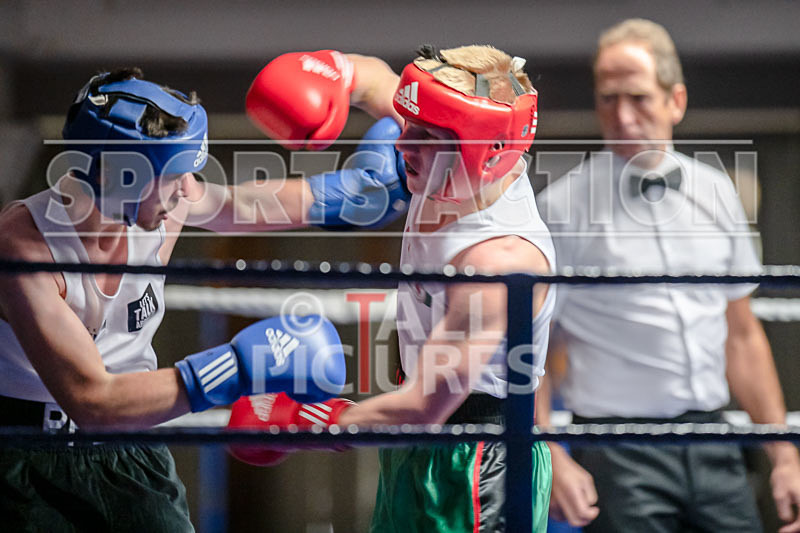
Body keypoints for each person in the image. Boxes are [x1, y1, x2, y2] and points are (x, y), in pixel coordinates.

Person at [0, 60, 407, 532]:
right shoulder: (23, 248)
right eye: (174, 177)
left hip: (131, 450)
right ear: (116, 177)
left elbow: (240, 205)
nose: (187, 192)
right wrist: (234, 367)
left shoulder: (162, 202)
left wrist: (351, 193)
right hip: (23, 459)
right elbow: (93, 400)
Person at [228, 45, 556, 532]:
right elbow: (374, 79)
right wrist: (333, 72)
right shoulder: (447, 148)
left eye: (423, 136)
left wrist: (307, 423)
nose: (402, 146)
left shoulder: (498, 261)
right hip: (415, 439)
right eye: (405, 124)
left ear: (488, 154)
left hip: (477, 464)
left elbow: (425, 406)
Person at [534, 18, 800, 532]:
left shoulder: (717, 191)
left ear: (675, 100)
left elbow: (742, 335)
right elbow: (535, 344)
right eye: (608, 98)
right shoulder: (561, 206)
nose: (622, 114)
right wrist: (549, 456)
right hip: (617, 447)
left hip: (714, 440)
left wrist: (785, 456)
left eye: (637, 96)